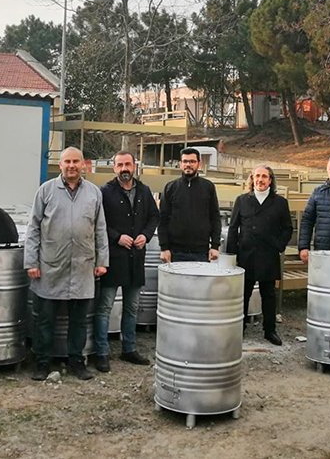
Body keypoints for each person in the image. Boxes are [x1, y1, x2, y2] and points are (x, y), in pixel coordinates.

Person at [25, 147, 109, 382]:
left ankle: (76, 362)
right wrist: (31, 261)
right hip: (50, 266)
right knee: (45, 320)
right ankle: (42, 363)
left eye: (76, 161)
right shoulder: (46, 191)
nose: (71, 165)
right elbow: (33, 228)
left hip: (83, 266)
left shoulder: (93, 193)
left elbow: (100, 229)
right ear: (60, 164)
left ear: (83, 164)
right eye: (67, 161)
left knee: (79, 321)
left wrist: (102, 261)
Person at [94, 151, 159, 372]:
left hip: (136, 259)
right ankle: (101, 352)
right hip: (113, 258)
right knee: (105, 308)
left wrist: (146, 235)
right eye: (120, 164)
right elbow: (98, 222)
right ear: (114, 168)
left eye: (128, 164)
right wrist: (117, 237)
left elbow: (154, 217)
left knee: (132, 308)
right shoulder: (105, 192)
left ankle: (129, 349)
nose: (124, 168)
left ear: (134, 166)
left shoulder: (144, 191)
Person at [226, 166, 292, 346]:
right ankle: (240, 328)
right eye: (257, 176)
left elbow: (287, 228)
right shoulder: (242, 200)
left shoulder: (280, 202)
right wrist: (231, 255)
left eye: (264, 176)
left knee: (268, 294)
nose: (260, 179)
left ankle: (269, 330)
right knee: (244, 294)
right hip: (246, 255)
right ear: (252, 178)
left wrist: (279, 246)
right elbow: (233, 229)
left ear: (270, 180)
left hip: (268, 254)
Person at [159, 147, 221, 263]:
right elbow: (162, 220)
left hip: (201, 252)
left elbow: (215, 218)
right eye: (185, 161)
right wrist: (164, 248)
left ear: (199, 164)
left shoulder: (208, 187)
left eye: (192, 161)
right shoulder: (170, 188)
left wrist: (215, 246)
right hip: (175, 252)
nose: (188, 165)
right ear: (180, 164)